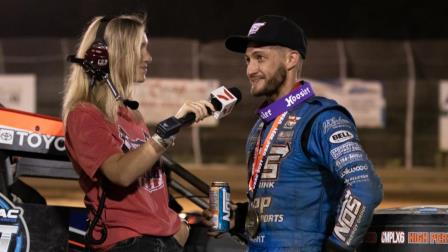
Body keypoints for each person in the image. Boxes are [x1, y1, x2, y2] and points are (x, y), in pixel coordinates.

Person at [203, 15, 383, 252]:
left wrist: (338, 248)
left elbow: (365, 187)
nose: (250, 70)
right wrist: (241, 217)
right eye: (247, 60)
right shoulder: (262, 124)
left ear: (291, 59)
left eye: (260, 58)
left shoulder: (323, 118)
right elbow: (283, 204)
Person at [62, 14, 214, 251]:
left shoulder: (130, 113)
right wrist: (167, 130)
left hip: (161, 239)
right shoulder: (84, 114)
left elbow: (149, 190)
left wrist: (181, 224)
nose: (148, 57)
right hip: (130, 243)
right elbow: (120, 173)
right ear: (107, 56)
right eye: (140, 48)